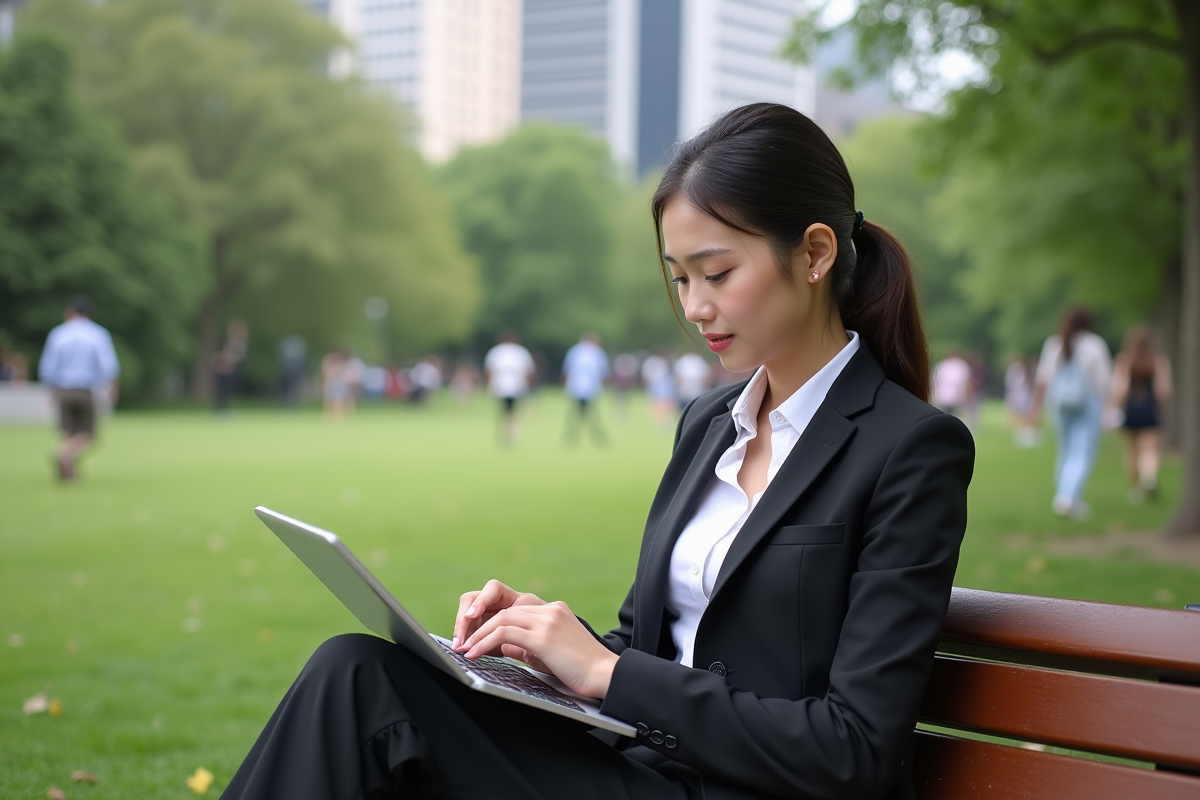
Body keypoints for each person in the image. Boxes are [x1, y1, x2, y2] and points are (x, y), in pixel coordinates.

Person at [221, 103, 974, 800]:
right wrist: (546, 651)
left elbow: (855, 749)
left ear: (813, 254)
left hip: (746, 789)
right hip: (638, 769)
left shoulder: (910, 450)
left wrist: (609, 673)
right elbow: (651, 641)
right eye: (680, 279)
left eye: (717, 273)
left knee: (362, 690)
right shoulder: (710, 421)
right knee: (357, 670)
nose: (694, 307)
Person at [1028, 306, 1113, 519]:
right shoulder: (1094, 345)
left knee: (1066, 452)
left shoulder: (1055, 343)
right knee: (1082, 454)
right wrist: (1109, 407)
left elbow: (1043, 379)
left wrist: (1036, 408)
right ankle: (1066, 498)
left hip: (1060, 405)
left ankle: (1071, 497)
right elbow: (1104, 381)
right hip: (1088, 404)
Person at [37, 295, 120, 481]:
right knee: (88, 435)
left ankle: (69, 470)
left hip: (62, 389)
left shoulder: (58, 334)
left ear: (69, 312)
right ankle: (64, 456)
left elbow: (48, 366)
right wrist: (112, 385)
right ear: (90, 313)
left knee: (67, 430)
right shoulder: (97, 334)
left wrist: (50, 390)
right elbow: (108, 364)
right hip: (84, 389)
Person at [1110, 325, 1172, 502]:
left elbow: (1120, 390)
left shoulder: (1125, 361)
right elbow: (1163, 392)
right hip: (1150, 410)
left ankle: (1136, 490)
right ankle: (1148, 476)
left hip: (1131, 411)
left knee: (1132, 451)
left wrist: (1114, 409)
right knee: (1150, 449)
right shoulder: (1158, 362)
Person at [484, 333, 536, 445]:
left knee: (505, 411)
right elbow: (528, 371)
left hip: (501, 386)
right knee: (511, 411)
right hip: (514, 386)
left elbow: (489, 371)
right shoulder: (520, 352)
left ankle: (506, 432)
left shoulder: (496, 352)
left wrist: (488, 386)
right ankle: (511, 433)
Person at [562, 333, 610, 444]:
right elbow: (603, 372)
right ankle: (596, 435)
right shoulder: (597, 352)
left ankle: (572, 435)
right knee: (592, 413)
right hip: (591, 387)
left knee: (575, 413)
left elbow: (566, 370)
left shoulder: (574, 351)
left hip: (575, 386)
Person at [932, 349, 971, 418]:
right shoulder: (941, 366)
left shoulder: (961, 366)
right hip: (943, 396)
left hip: (954, 396)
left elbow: (965, 382)